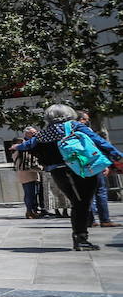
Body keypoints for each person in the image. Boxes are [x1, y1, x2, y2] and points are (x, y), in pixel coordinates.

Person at [15, 105, 123, 251]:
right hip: (81, 169)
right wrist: (117, 156)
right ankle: (80, 238)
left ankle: (80, 237)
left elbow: (27, 145)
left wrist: (16, 146)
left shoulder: (43, 134)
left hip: (58, 173)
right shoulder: (74, 126)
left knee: (78, 203)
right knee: (83, 203)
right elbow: (97, 140)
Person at [77, 111, 116, 227]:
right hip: (94, 164)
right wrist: (105, 164)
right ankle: (105, 219)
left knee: (87, 193)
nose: (87, 121)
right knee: (100, 191)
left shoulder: (70, 132)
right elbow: (99, 146)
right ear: (81, 120)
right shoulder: (86, 131)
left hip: (81, 165)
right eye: (86, 119)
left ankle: (91, 220)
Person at [13, 129, 46, 219]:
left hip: (29, 172)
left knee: (31, 193)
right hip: (27, 173)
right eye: (33, 132)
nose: (35, 133)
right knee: (30, 193)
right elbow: (28, 160)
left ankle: (31, 211)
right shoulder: (22, 147)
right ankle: (29, 212)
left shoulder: (22, 147)